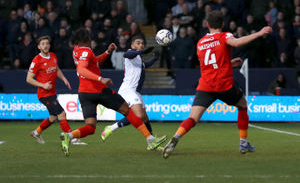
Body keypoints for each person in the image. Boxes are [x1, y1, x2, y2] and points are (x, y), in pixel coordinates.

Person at [162, 10, 272, 159]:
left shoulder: (200, 42)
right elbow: (237, 43)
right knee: (243, 105)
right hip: (223, 85)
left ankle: (177, 136)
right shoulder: (225, 36)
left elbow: (209, 65)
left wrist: (229, 63)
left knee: (192, 118)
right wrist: (259, 33)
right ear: (222, 24)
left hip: (206, 85)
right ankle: (243, 142)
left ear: (207, 25)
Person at [60, 28, 166, 156]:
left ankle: (69, 136)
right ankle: (150, 140)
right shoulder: (87, 51)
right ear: (87, 40)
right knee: (128, 111)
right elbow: (81, 70)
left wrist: (107, 52)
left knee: (90, 127)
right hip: (98, 90)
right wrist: (100, 78)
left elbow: (94, 62)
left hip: (84, 93)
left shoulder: (76, 50)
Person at [100, 36, 165, 150]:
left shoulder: (138, 59)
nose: (141, 45)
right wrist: (142, 51)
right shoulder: (131, 53)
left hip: (135, 92)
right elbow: (127, 55)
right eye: (138, 43)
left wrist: (155, 58)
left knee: (144, 117)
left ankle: (151, 143)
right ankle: (111, 128)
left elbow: (145, 65)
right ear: (132, 46)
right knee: (138, 115)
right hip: (128, 90)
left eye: (142, 43)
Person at [26, 36, 86, 145]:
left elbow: (56, 69)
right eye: (43, 43)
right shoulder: (37, 60)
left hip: (52, 93)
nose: (45, 45)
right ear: (39, 47)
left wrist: (64, 79)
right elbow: (29, 79)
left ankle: (36, 132)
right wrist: (43, 85)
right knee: (62, 114)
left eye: (47, 43)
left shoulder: (53, 56)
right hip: (44, 94)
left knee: (53, 117)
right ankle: (72, 138)